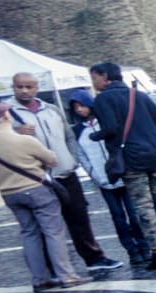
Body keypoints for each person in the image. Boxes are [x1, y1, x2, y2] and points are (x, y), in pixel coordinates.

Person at [8, 72, 118, 271]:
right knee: (43, 224)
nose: (24, 91)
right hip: (36, 178)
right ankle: (49, 267)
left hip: (65, 174)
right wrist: (14, 134)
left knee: (79, 217)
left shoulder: (51, 109)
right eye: (20, 86)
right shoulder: (5, 113)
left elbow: (69, 137)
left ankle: (94, 258)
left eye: (29, 86)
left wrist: (71, 159)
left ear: (37, 88)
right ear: (13, 87)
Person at [0, 100, 84, 291]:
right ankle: (67, 275)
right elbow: (52, 159)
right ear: (6, 116)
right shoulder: (23, 140)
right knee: (53, 232)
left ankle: (40, 278)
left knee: (29, 233)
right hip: (37, 189)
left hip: (9, 194)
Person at [90, 62, 156, 269]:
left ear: (105, 77)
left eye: (94, 78)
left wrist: (94, 135)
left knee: (144, 206)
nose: (94, 83)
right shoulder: (140, 96)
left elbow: (109, 129)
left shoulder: (102, 99)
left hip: (132, 160)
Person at [67, 94, 145, 262]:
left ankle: (144, 246)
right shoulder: (78, 131)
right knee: (117, 217)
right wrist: (94, 175)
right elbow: (82, 156)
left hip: (123, 176)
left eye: (82, 105)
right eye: (75, 107)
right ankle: (131, 251)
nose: (80, 109)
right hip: (103, 180)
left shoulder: (106, 122)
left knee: (134, 214)